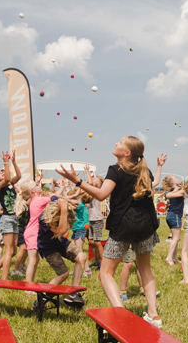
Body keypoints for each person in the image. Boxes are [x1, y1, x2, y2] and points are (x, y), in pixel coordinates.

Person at [56, 137, 166, 327]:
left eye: (120, 143)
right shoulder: (144, 170)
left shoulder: (115, 170)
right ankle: (154, 315)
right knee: (146, 271)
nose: (116, 143)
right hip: (146, 225)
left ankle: (120, 312)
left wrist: (77, 181)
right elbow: (154, 183)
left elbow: (101, 194)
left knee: (105, 273)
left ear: (127, 153)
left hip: (123, 226)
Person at [0, 151, 22, 280]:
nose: (1, 172)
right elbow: (7, 178)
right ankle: (4, 279)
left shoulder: (9, 184)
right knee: (8, 251)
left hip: (14, 218)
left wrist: (13, 161)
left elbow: (19, 175)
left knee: (13, 252)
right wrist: (5, 163)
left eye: (2, 170)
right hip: (6, 219)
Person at [163, 175, 184, 266]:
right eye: (175, 178)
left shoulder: (173, 190)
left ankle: (175, 258)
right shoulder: (176, 191)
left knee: (176, 238)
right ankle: (169, 258)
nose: (177, 179)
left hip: (171, 215)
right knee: (176, 238)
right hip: (174, 215)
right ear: (172, 182)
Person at [87, 175, 106, 270]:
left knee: (98, 242)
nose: (93, 180)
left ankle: (103, 263)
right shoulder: (90, 192)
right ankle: (96, 260)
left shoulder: (98, 192)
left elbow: (90, 184)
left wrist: (87, 173)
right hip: (91, 219)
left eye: (95, 180)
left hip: (97, 219)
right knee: (91, 241)